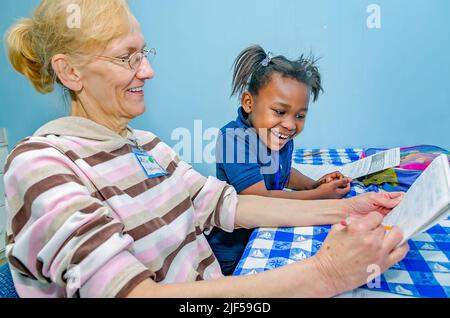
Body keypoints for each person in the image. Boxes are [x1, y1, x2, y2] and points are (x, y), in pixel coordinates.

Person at [3, 0, 409, 298]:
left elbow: (231, 206)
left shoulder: (149, 147)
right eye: (126, 57)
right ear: (70, 71)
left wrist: (348, 208)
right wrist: (328, 272)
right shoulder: (41, 163)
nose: (147, 70)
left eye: (143, 53)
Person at [207, 46, 352, 275]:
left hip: (269, 228)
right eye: (279, 111)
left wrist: (313, 184)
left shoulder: (277, 135)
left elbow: (283, 171)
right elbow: (259, 196)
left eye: (300, 115)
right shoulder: (233, 139)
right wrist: (320, 196)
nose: (291, 124)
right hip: (233, 250)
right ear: (248, 103)